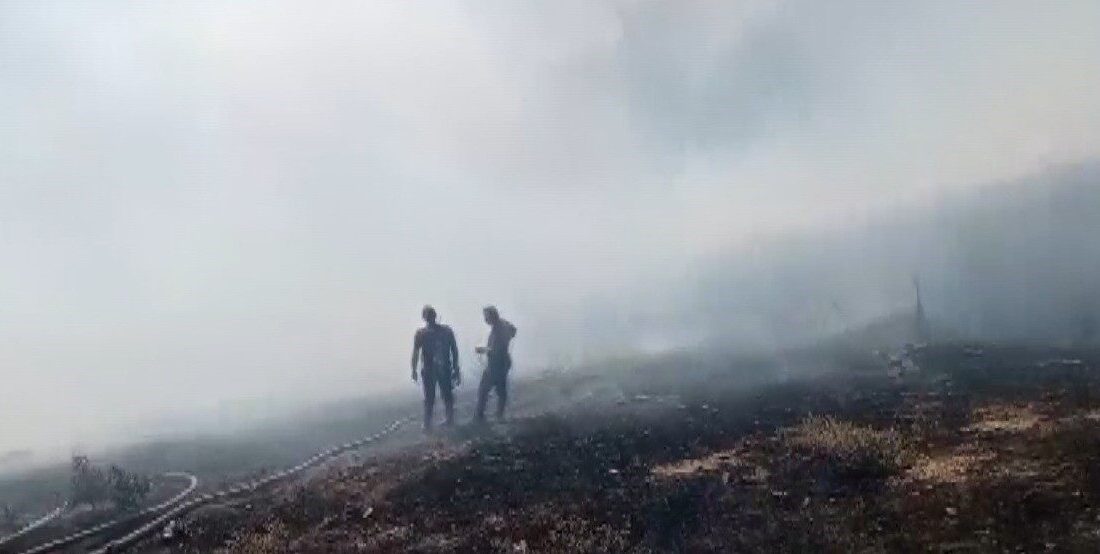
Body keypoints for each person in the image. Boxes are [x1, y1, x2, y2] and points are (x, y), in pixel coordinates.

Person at [411, 305, 460, 430]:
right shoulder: (424, 333)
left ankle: (443, 421)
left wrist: (456, 367)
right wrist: (413, 369)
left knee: (442, 395)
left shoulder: (444, 331)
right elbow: (416, 353)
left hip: (440, 369)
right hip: (432, 369)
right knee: (432, 397)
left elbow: (454, 350)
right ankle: (430, 423)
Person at [475, 305, 517, 422]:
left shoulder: (499, 329)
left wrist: (482, 350)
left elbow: (496, 350)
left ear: (492, 316)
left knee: (484, 390)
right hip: (502, 362)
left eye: (486, 316)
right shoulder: (502, 325)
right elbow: (514, 331)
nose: (485, 319)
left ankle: (481, 416)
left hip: (497, 364)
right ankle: (498, 414)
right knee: (500, 389)